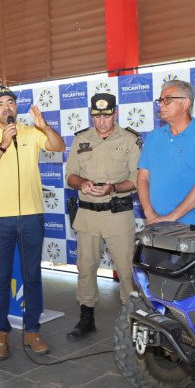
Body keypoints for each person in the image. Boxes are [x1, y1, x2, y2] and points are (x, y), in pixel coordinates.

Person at [0, 85, 65, 360]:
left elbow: (58, 147)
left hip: (32, 215)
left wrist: (45, 126)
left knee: (33, 275)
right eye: (0, 103)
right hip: (1, 218)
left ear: (17, 107)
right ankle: (2, 333)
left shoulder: (30, 131)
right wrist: (2, 144)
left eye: (10, 102)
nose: (7, 107)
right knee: (1, 278)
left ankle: (32, 330)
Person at [65, 93, 141, 341]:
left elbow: (137, 180)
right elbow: (71, 176)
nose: (102, 121)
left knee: (126, 270)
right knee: (85, 269)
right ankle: (86, 320)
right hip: (87, 214)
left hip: (118, 214)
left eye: (106, 115)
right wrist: (83, 183)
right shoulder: (81, 139)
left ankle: (132, 322)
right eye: (97, 116)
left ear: (115, 113)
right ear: (92, 115)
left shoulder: (130, 140)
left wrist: (113, 188)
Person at [137, 80, 195, 226]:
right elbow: (143, 178)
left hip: (190, 229)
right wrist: (150, 214)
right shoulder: (153, 137)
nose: (161, 104)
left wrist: (171, 218)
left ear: (185, 104)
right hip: (154, 226)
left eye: (167, 99)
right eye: (160, 100)